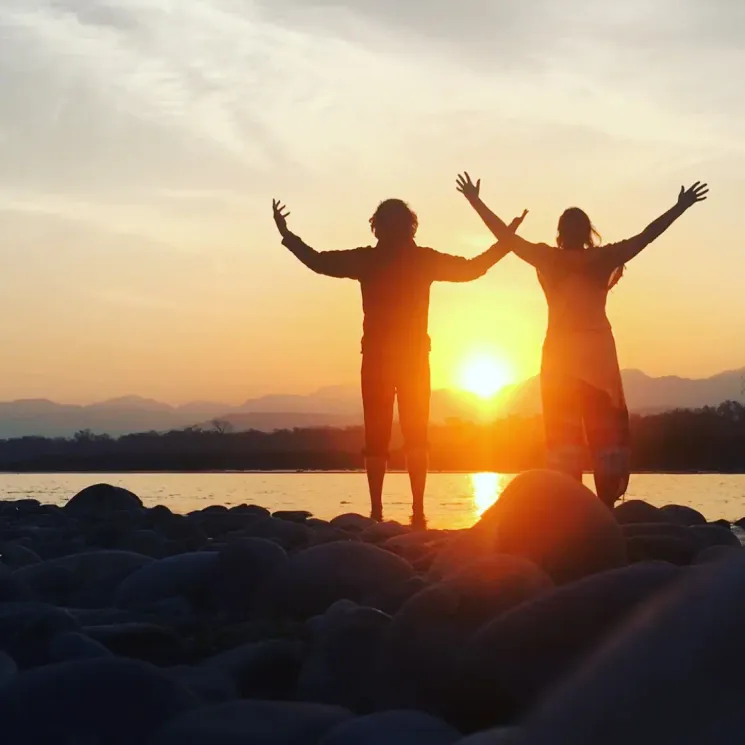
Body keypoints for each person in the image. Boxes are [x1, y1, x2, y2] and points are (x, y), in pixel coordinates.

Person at [455, 172, 708, 507]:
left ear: (561, 234)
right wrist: (680, 207)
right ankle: (605, 507)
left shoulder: (549, 257)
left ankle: (570, 505)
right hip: (594, 354)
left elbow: (506, 237)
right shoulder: (601, 258)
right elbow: (647, 236)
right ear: (587, 233)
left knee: (564, 434)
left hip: (562, 355)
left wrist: (475, 201)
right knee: (602, 431)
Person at [272, 196, 527, 525]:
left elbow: (319, 262)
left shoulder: (371, 260)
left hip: (382, 358)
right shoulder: (420, 260)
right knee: (414, 434)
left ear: (377, 227)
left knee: (378, 437)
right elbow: (473, 268)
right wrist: (506, 239)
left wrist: (287, 235)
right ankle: (416, 511)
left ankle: (379, 511)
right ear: (410, 227)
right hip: (412, 359)